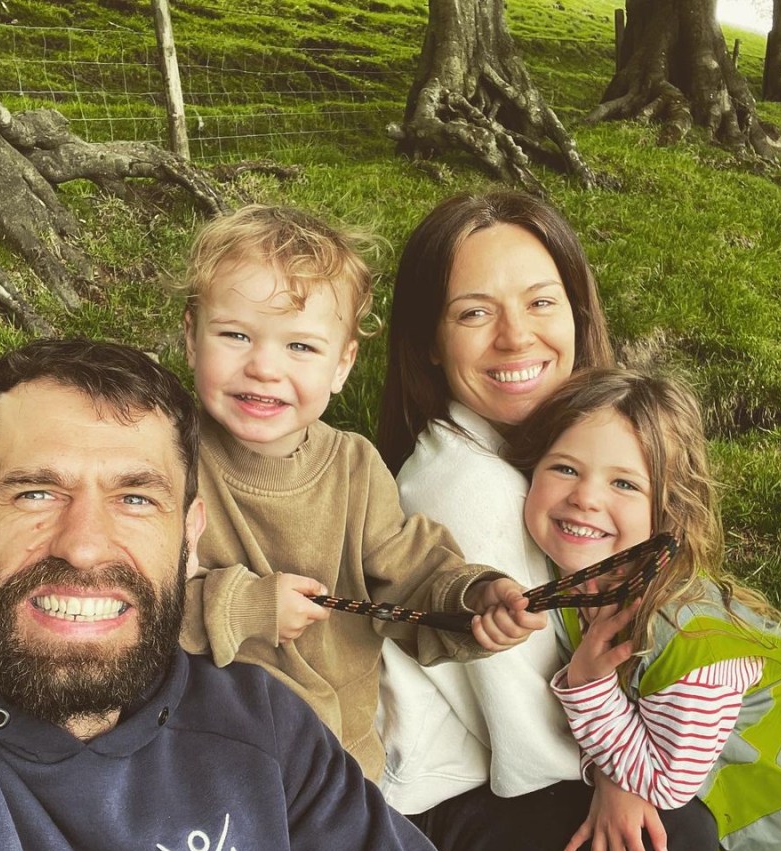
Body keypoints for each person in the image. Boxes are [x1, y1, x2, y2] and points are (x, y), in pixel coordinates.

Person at [0, 337, 527, 851]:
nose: (83, 546)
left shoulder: (259, 728)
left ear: (190, 536)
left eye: (135, 498)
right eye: (36, 493)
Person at [374, 191, 781, 851]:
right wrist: (643, 769)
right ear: (428, 338)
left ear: (578, 310)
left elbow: (658, 589)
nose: (515, 336)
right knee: (675, 832)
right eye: (472, 313)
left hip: (510, 761)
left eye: (539, 301)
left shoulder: (560, 448)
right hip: (427, 808)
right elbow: (535, 748)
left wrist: (766, 683)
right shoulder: (471, 496)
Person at [178, 204, 544, 782]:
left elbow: (411, 574)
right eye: (235, 335)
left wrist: (472, 600)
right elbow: (139, 604)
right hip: (212, 760)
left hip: (346, 761)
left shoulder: (353, 466)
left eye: (301, 347)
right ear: (192, 338)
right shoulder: (169, 464)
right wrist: (244, 606)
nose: (264, 367)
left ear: (343, 364)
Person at [509, 366, 781, 851]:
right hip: (709, 777)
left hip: (742, 808)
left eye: (625, 485)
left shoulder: (684, 646)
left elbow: (666, 783)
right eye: (565, 468)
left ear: (670, 511)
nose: (586, 496)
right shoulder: (600, 578)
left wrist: (587, 688)